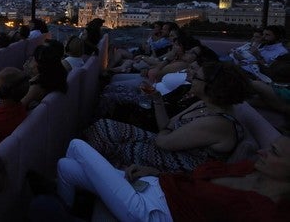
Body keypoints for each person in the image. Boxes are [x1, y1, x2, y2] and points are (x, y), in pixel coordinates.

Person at [56, 136, 290, 221]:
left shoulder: (266, 212)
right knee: (64, 166)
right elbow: (195, 178)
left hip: (151, 212)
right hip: (157, 186)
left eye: (274, 153)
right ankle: (68, 209)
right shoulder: (248, 169)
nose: (262, 151)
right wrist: (157, 173)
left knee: (76, 145)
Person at [83, 61, 250, 172]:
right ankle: (89, 167)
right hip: (166, 146)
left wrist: (167, 132)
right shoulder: (202, 105)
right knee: (103, 126)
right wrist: (157, 99)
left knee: (106, 136)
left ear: (211, 87)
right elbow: (165, 127)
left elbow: (163, 141)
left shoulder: (217, 123)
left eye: (196, 76)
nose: (190, 77)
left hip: (175, 164)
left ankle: (89, 171)